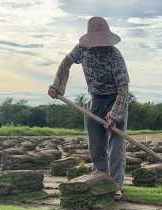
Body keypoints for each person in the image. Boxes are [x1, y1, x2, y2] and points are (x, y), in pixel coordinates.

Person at [48, 16, 129, 200]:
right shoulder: (81, 50)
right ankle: (101, 180)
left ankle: (116, 184)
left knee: (116, 147)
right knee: (96, 146)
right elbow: (66, 63)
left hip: (116, 99)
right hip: (96, 100)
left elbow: (124, 88)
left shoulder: (114, 55)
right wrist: (57, 86)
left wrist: (114, 115)